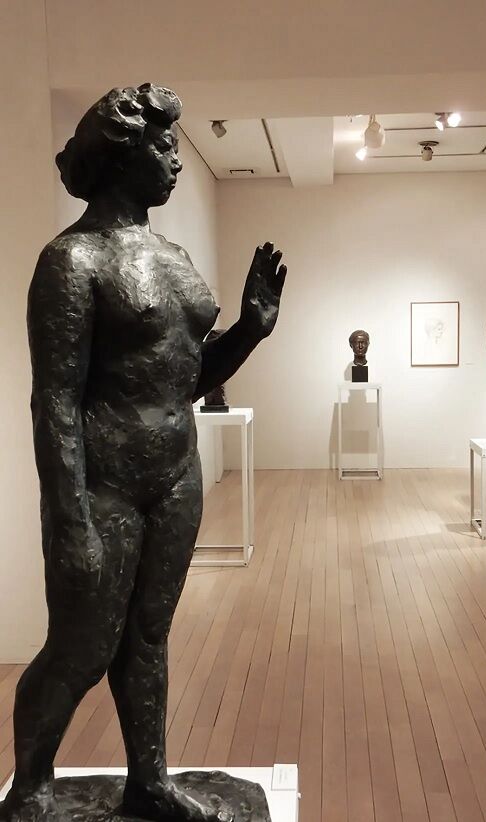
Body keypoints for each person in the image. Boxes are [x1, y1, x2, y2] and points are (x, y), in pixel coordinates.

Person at [3, 83, 286, 822]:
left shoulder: (172, 255)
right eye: (163, 147)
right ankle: (29, 785)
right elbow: (54, 402)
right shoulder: (72, 261)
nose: (176, 161)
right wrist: (70, 520)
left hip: (174, 475)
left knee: (148, 638)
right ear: (122, 155)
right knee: (81, 647)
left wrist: (249, 330)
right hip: (104, 484)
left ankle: (149, 783)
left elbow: (187, 380)